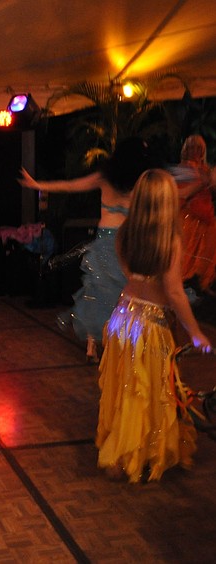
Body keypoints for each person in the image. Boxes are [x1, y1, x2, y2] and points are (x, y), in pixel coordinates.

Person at [96, 168, 211, 483]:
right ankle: (131, 455)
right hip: (149, 326)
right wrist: (196, 332)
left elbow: (127, 272)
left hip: (122, 319)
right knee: (146, 390)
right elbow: (173, 292)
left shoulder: (126, 234)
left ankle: (126, 452)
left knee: (127, 389)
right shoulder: (169, 241)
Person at [19, 137, 153, 362]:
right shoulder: (139, 182)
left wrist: (38, 184)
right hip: (123, 242)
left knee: (103, 293)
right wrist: (38, 185)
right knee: (115, 293)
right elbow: (71, 186)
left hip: (115, 241)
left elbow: (71, 186)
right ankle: (102, 343)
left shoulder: (114, 178)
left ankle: (98, 343)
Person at [172, 135, 216, 292]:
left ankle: (200, 283)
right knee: (185, 251)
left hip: (206, 218)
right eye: (191, 147)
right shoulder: (180, 169)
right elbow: (179, 195)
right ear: (185, 149)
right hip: (187, 217)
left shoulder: (206, 170)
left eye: (198, 148)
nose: (194, 151)